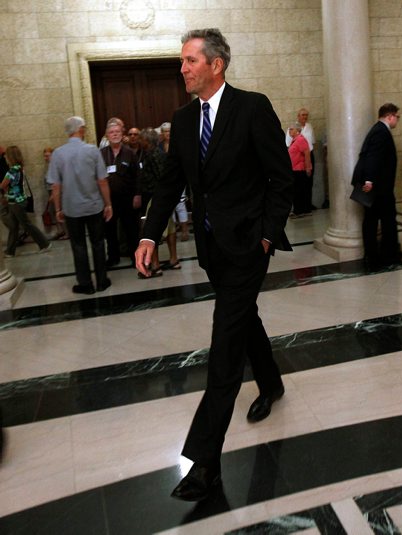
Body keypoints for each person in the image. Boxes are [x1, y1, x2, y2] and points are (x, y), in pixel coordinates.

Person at [135, 28, 293, 501]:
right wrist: (149, 233)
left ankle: (205, 462)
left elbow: (279, 178)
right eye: (182, 62)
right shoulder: (183, 121)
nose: (182, 69)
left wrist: (266, 235)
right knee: (243, 320)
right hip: (211, 249)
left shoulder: (252, 107)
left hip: (248, 246)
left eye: (189, 61)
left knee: (224, 341)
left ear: (216, 65)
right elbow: (170, 185)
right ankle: (271, 382)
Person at [47, 116, 113, 294]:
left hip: (71, 208)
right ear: (80, 129)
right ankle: (101, 280)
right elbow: (102, 181)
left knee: (78, 245)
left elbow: (55, 185)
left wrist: (59, 208)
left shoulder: (58, 154)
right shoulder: (92, 151)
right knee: (98, 243)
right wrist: (108, 204)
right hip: (94, 205)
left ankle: (85, 284)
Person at [351, 103, 402, 270]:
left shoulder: (378, 129)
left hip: (378, 186)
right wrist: (369, 181)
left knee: (373, 221)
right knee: (384, 221)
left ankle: (375, 256)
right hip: (379, 188)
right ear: (390, 116)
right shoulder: (381, 131)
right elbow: (373, 157)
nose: (397, 120)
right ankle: (386, 256)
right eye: (397, 117)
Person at [100, 119, 141, 267]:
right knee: (109, 230)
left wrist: (137, 194)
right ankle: (113, 257)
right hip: (109, 200)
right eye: (112, 132)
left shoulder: (129, 153)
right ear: (107, 135)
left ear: (122, 133)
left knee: (131, 229)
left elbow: (137, 175)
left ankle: (135, 256)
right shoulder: (101, 154)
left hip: (128, 198)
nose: (115, 134)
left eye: (117, 132)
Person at [1, 146, 51, 257]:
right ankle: (10, 251)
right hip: (18, 200)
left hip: (16, 202)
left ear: (11, 156)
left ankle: (44, 244)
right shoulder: (19, 167)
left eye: (6, 155)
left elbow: (3, 184)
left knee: (27, 225)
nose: (5, 157)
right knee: (14, 226)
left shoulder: (12, 170)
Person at [286, 107, 316, 210]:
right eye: (303, 115)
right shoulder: (293, 129)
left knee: (306, 183)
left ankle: (306, 206)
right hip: (296, 159)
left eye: (306, 115)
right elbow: (289, 144)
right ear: (298, 116)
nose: (305, 117)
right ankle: (300, 207)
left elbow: (310, 144)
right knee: (298, 186)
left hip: (305, 158)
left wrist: (308, 166)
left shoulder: (309, 127)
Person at [287, 122, 312, 218]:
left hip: (299, 170)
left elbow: (307, 154)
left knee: (299, 191)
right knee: (297, 190)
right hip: (295, 169)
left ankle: (300, 211)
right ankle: (300, 210)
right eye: (289, 129)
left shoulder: (301, 140)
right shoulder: (295, 140)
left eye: (291, 129)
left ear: (297, 131)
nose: (289, 131)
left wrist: (308, 168)